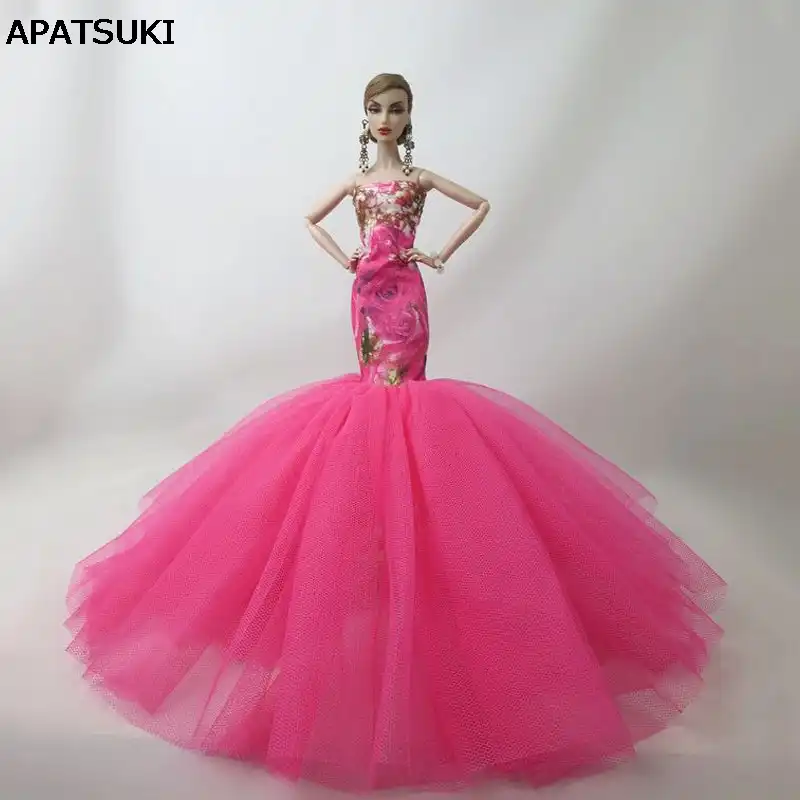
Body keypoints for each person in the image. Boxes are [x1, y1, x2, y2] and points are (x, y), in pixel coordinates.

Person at [66, 73, 725, 793]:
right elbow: (311, 218)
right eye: (377, 108)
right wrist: (347, 258)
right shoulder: (357, 184)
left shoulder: (417, 181)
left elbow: (481, 204)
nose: (386, 117)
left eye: (397, 108)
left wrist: (435, 252)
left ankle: (414, 547)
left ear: (410, 117)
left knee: (403, 404)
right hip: (367, 291)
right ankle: (374, 543)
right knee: (370, 405)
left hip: (406, 293)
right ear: (365, 117)